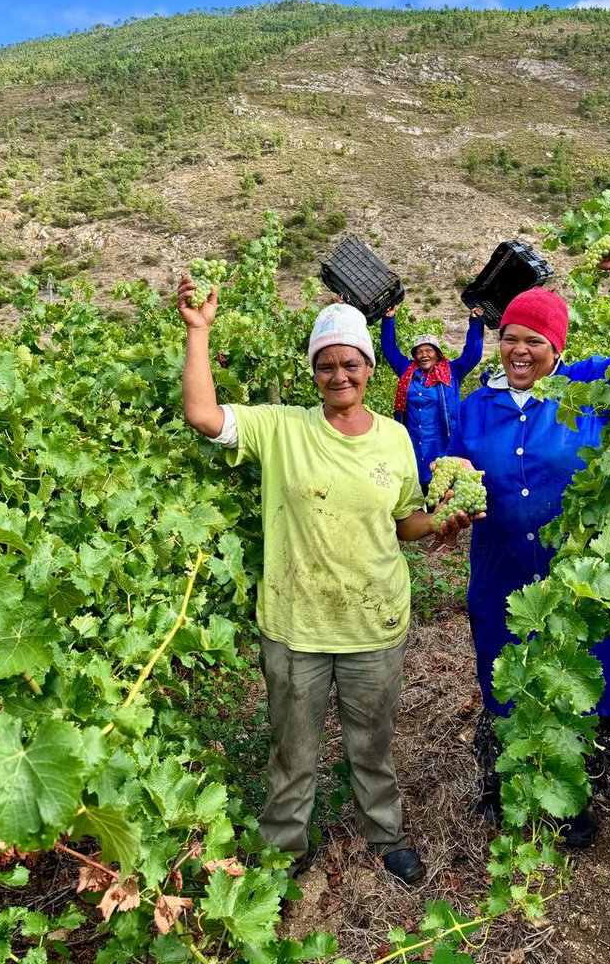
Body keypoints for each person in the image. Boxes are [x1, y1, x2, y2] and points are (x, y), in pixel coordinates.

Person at [178, 281, 457, 886]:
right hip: (296, 622)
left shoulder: (395, 437)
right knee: (292, 752)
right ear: (313, 372)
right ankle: (284, 849)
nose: (339, 375)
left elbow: (404, 521)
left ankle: (385, 833)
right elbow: (203, 415)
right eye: (325, 365)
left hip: (373, 620)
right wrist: (198, 331)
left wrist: (440, 520)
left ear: (369, 367)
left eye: (350, 363)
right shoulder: (282, 429)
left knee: (372, 744)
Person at [443, 246, 610, 846]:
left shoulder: (588, 388)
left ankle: (577, 795)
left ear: (557, 349)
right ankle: (514, 787)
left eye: (534, 342)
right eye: (511, 337)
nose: (520, 350)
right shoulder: (475, 408)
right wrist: (446, 507)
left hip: (579, 581)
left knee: (585, 676)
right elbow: (449, 477)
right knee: (511, 677)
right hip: (502, 573)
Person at [380, 305, 485, 492]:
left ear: (437, 354)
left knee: (443, 497)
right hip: (413, 445)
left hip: (443, 445)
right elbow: (389, 350)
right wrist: (389, 319)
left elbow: (473, 354)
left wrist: (475, 322)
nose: (423, 354)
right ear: (414, 357)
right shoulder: (407, 371)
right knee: (417, 498)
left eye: (428, 350)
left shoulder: (452, 371)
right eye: (419, 351)